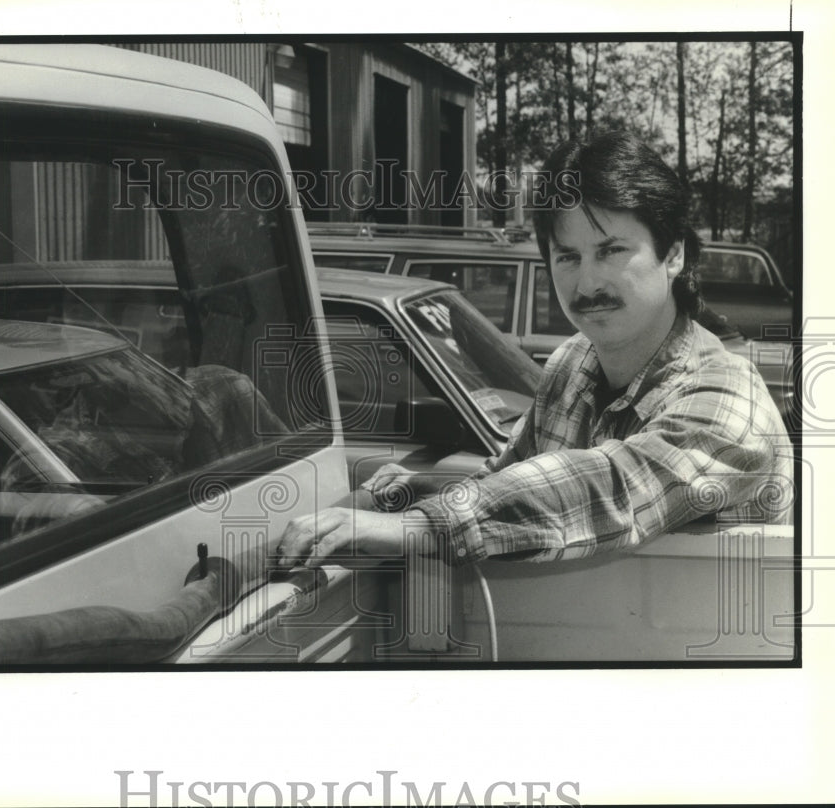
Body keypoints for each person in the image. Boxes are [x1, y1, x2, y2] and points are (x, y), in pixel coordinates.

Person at [276, 131, 793, 569]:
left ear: (673, 254)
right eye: (567, 256)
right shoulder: (573, 363)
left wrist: (418, 526)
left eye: (611, 251)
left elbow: (611, 489)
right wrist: (407, 493)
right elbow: (509, 478)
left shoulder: (728, 400)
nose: (588, 282)